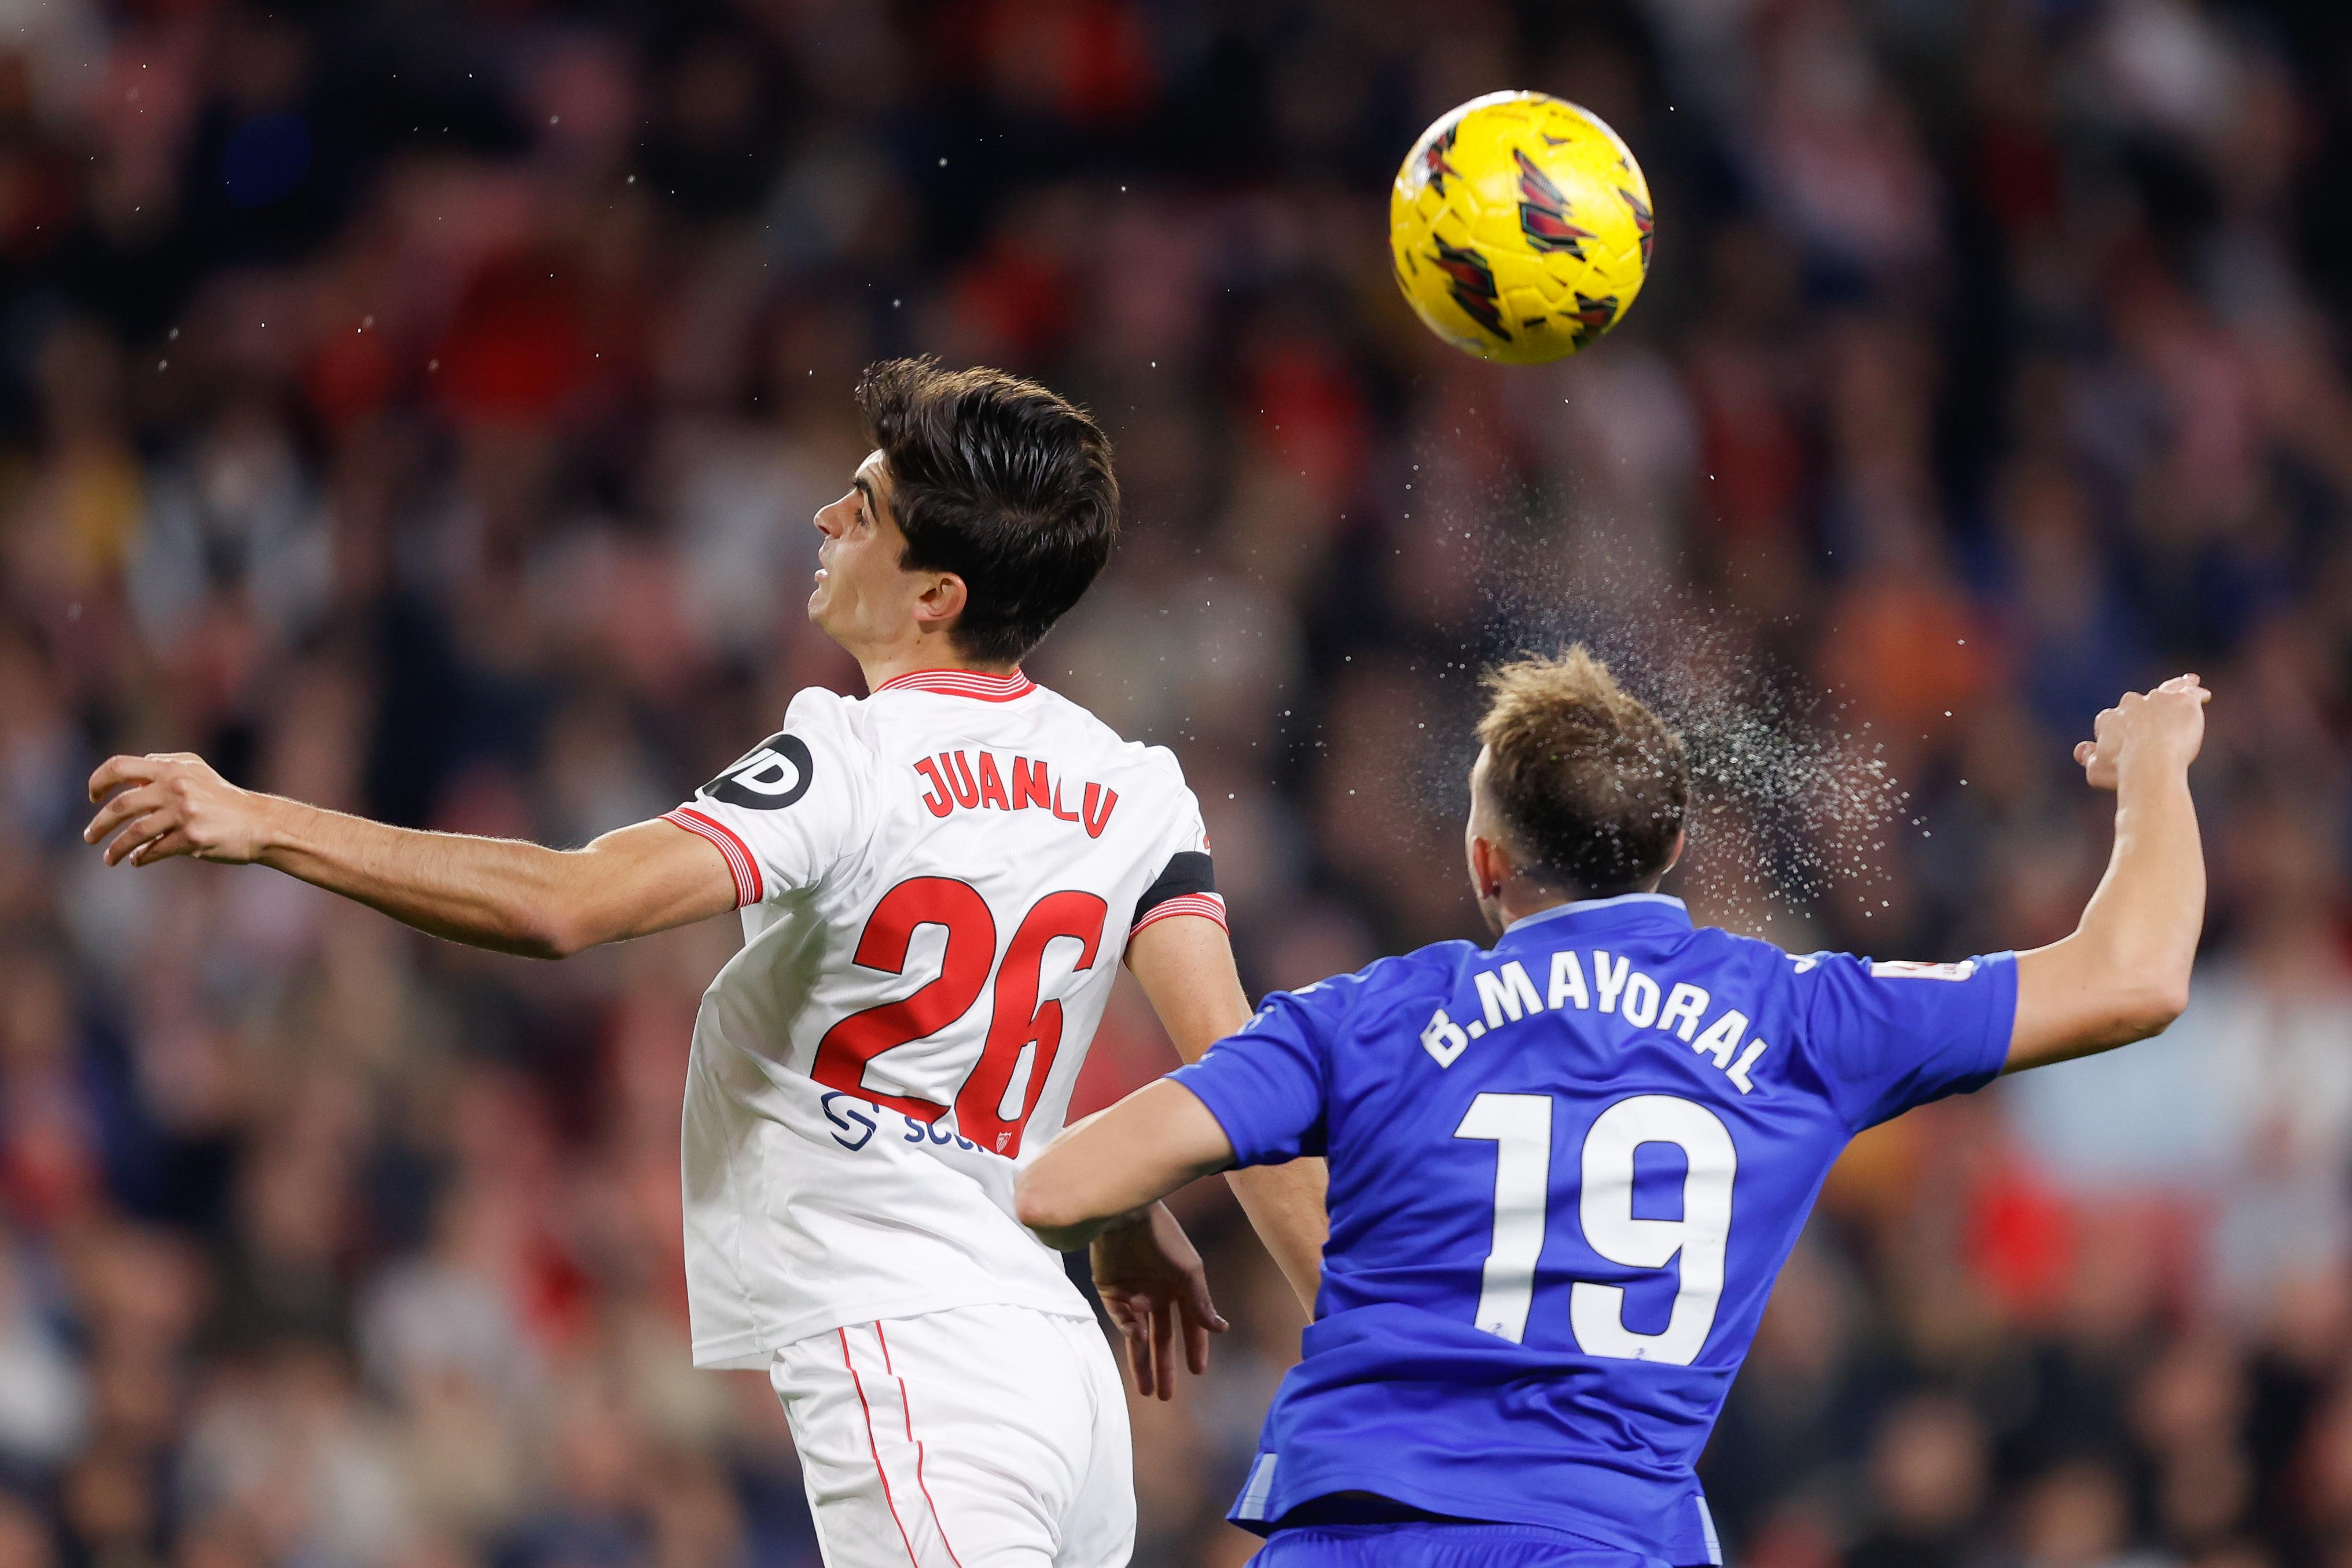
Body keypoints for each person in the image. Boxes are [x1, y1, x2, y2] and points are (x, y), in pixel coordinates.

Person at [82, 358, 1325, 1568]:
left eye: (867, 505)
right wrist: (1334, 1317)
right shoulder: (1135, 785)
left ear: (935, 592)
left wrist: (265, 821)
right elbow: (1242, 1078)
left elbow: (568, 907)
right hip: (1063, 1376)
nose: (827, 514)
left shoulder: (849, 756)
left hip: (913, 1351)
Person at [1016, 648, 2209, 1568]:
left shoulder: (1366, 1016)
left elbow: (1061, 1183)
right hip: (1606, 1535)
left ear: (1485, 861)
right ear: (1673, 846)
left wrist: (1125, 1223)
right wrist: (2154, 763)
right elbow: (2135, 975)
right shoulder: (1799, 1020)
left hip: (1353, 1531)